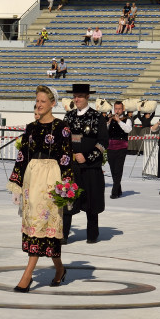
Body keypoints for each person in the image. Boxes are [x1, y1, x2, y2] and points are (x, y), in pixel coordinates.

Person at [7, 86, 74, 291]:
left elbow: (66, 159)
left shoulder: (63, 128)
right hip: (32, 179)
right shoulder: (31, 128)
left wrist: (67, 187)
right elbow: (22, 157)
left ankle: (27, 275)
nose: (39, 104)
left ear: (53, 103)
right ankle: (60, 269)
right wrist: (17, 184)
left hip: (51, 180)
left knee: (47, 225)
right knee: (35, 224)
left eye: (43, 101)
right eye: (37, 100)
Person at [63, 83, 107, 243]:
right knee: (67, 202)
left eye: (80, 96)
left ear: (87, 97)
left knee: (91, 203)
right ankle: (63, 235)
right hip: (72, 168)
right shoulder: (68, 116)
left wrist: (87, 157)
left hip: (90, 168)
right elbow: (63, 139)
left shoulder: (97, 117)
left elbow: (103, 143)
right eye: (75, 96)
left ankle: (92, 235)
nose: (77, 99)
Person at [107, 101, 132, 198]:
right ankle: (118, 187)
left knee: (118, 168)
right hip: (110, 146)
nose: (117, 111)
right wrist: (108, 122)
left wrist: (119, 121)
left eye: (119, 109)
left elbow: (128, 129)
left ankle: (114, 191)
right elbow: (105, 131)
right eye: (116, 109)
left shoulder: (127, 119)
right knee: (113, 169)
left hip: (121, 146)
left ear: (123, 109)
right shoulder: (111, 118)